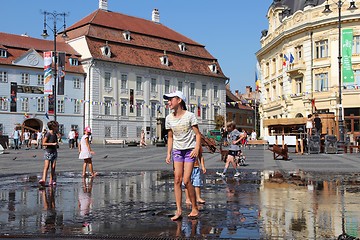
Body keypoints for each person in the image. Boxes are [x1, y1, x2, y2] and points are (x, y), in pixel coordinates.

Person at [164, 90, 201, 221]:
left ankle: (194, 207)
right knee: (177, 180)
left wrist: (196, 148)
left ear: (179, 100)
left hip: (189, 150)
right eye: (168, 100)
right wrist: (168, 153)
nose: (168, 102)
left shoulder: (190, 116)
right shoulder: (168, 118)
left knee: (186, 180)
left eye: (170, 100)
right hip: (177, 151)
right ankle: (179, 210)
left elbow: (197, 134)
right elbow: (170, 137)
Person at [39, 121, 59, 186]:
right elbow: (43, 143)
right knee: (46, 166)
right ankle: (43, 180)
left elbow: (56, 142)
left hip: (54, 152)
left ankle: (51, 180)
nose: (57, 128)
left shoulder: (55, 134)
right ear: (53, 127)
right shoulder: (48, 134)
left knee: (53, 167)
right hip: (48, 152)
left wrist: (56, 144)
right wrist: (52, 144)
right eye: (56, 127)